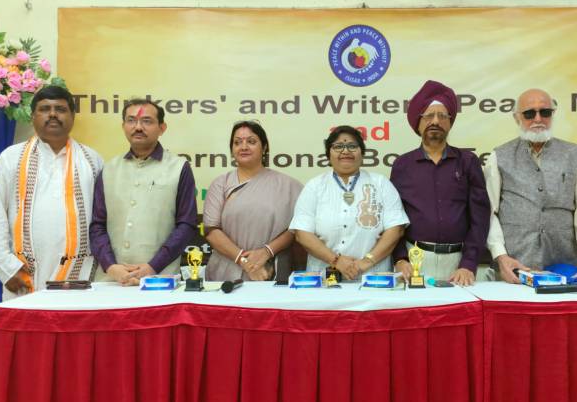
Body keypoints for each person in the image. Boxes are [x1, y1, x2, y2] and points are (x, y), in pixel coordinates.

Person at [0, 85, 103, 299]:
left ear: (73, 116)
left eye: (60, 109)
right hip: (23, 279)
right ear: (33, 116)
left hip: (81, 278)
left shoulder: (92, 160)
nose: (53, 114)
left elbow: (102, 220)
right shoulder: (11, 158)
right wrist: (7, 269)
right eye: (45, 109)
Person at [484, 88, 577, 283]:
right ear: (516, 117)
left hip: (566, 272)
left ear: (552, 114)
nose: (538, 119)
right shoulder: (499, 156)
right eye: (529, 114)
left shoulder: (573, 154)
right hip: (513, 272)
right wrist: (501, 256)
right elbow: (488, 213)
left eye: (545, 112)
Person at [391, 80, 490, 286]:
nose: (435, 121)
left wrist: (468, 263)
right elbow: (393, 218)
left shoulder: (468, 161)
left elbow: (479, 218)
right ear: (418, 122)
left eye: (442, 116)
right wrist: (400, 258)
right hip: (414, 262)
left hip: (459, 266)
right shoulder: (403, 165)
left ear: (450, 122)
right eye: (428, 116)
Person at [90, 98, 197, 286]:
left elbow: (186, 224)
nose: (138, 127)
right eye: (131, 120)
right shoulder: (109, 169)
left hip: (159, 279)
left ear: (162, 128)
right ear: (123, 126)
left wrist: (152, 267)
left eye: (147, 121)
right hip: (112, 280)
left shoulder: (179, 167)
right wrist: (111, 266)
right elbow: (97, 225)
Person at [290, 126, 408, 279]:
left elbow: (396, 229)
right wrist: (336, 260)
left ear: (362, 153)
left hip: (373, 278)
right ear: (328, 155)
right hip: (323, 279)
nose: (345, 151)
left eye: (352, 146)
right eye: (338, 146)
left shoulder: (381, 183)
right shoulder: (314, 186)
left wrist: (366, 262)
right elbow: (302, 233)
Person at [203, 120, 303, 282]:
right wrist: (244, 261)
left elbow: (296, 229)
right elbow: (211, 230)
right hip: (226, 272)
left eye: (251, 141)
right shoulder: (221, 184)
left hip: (271, 271)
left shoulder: (289, 186)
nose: (243, 147)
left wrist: (266, 252)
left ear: (264, 147)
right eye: (237, 142)